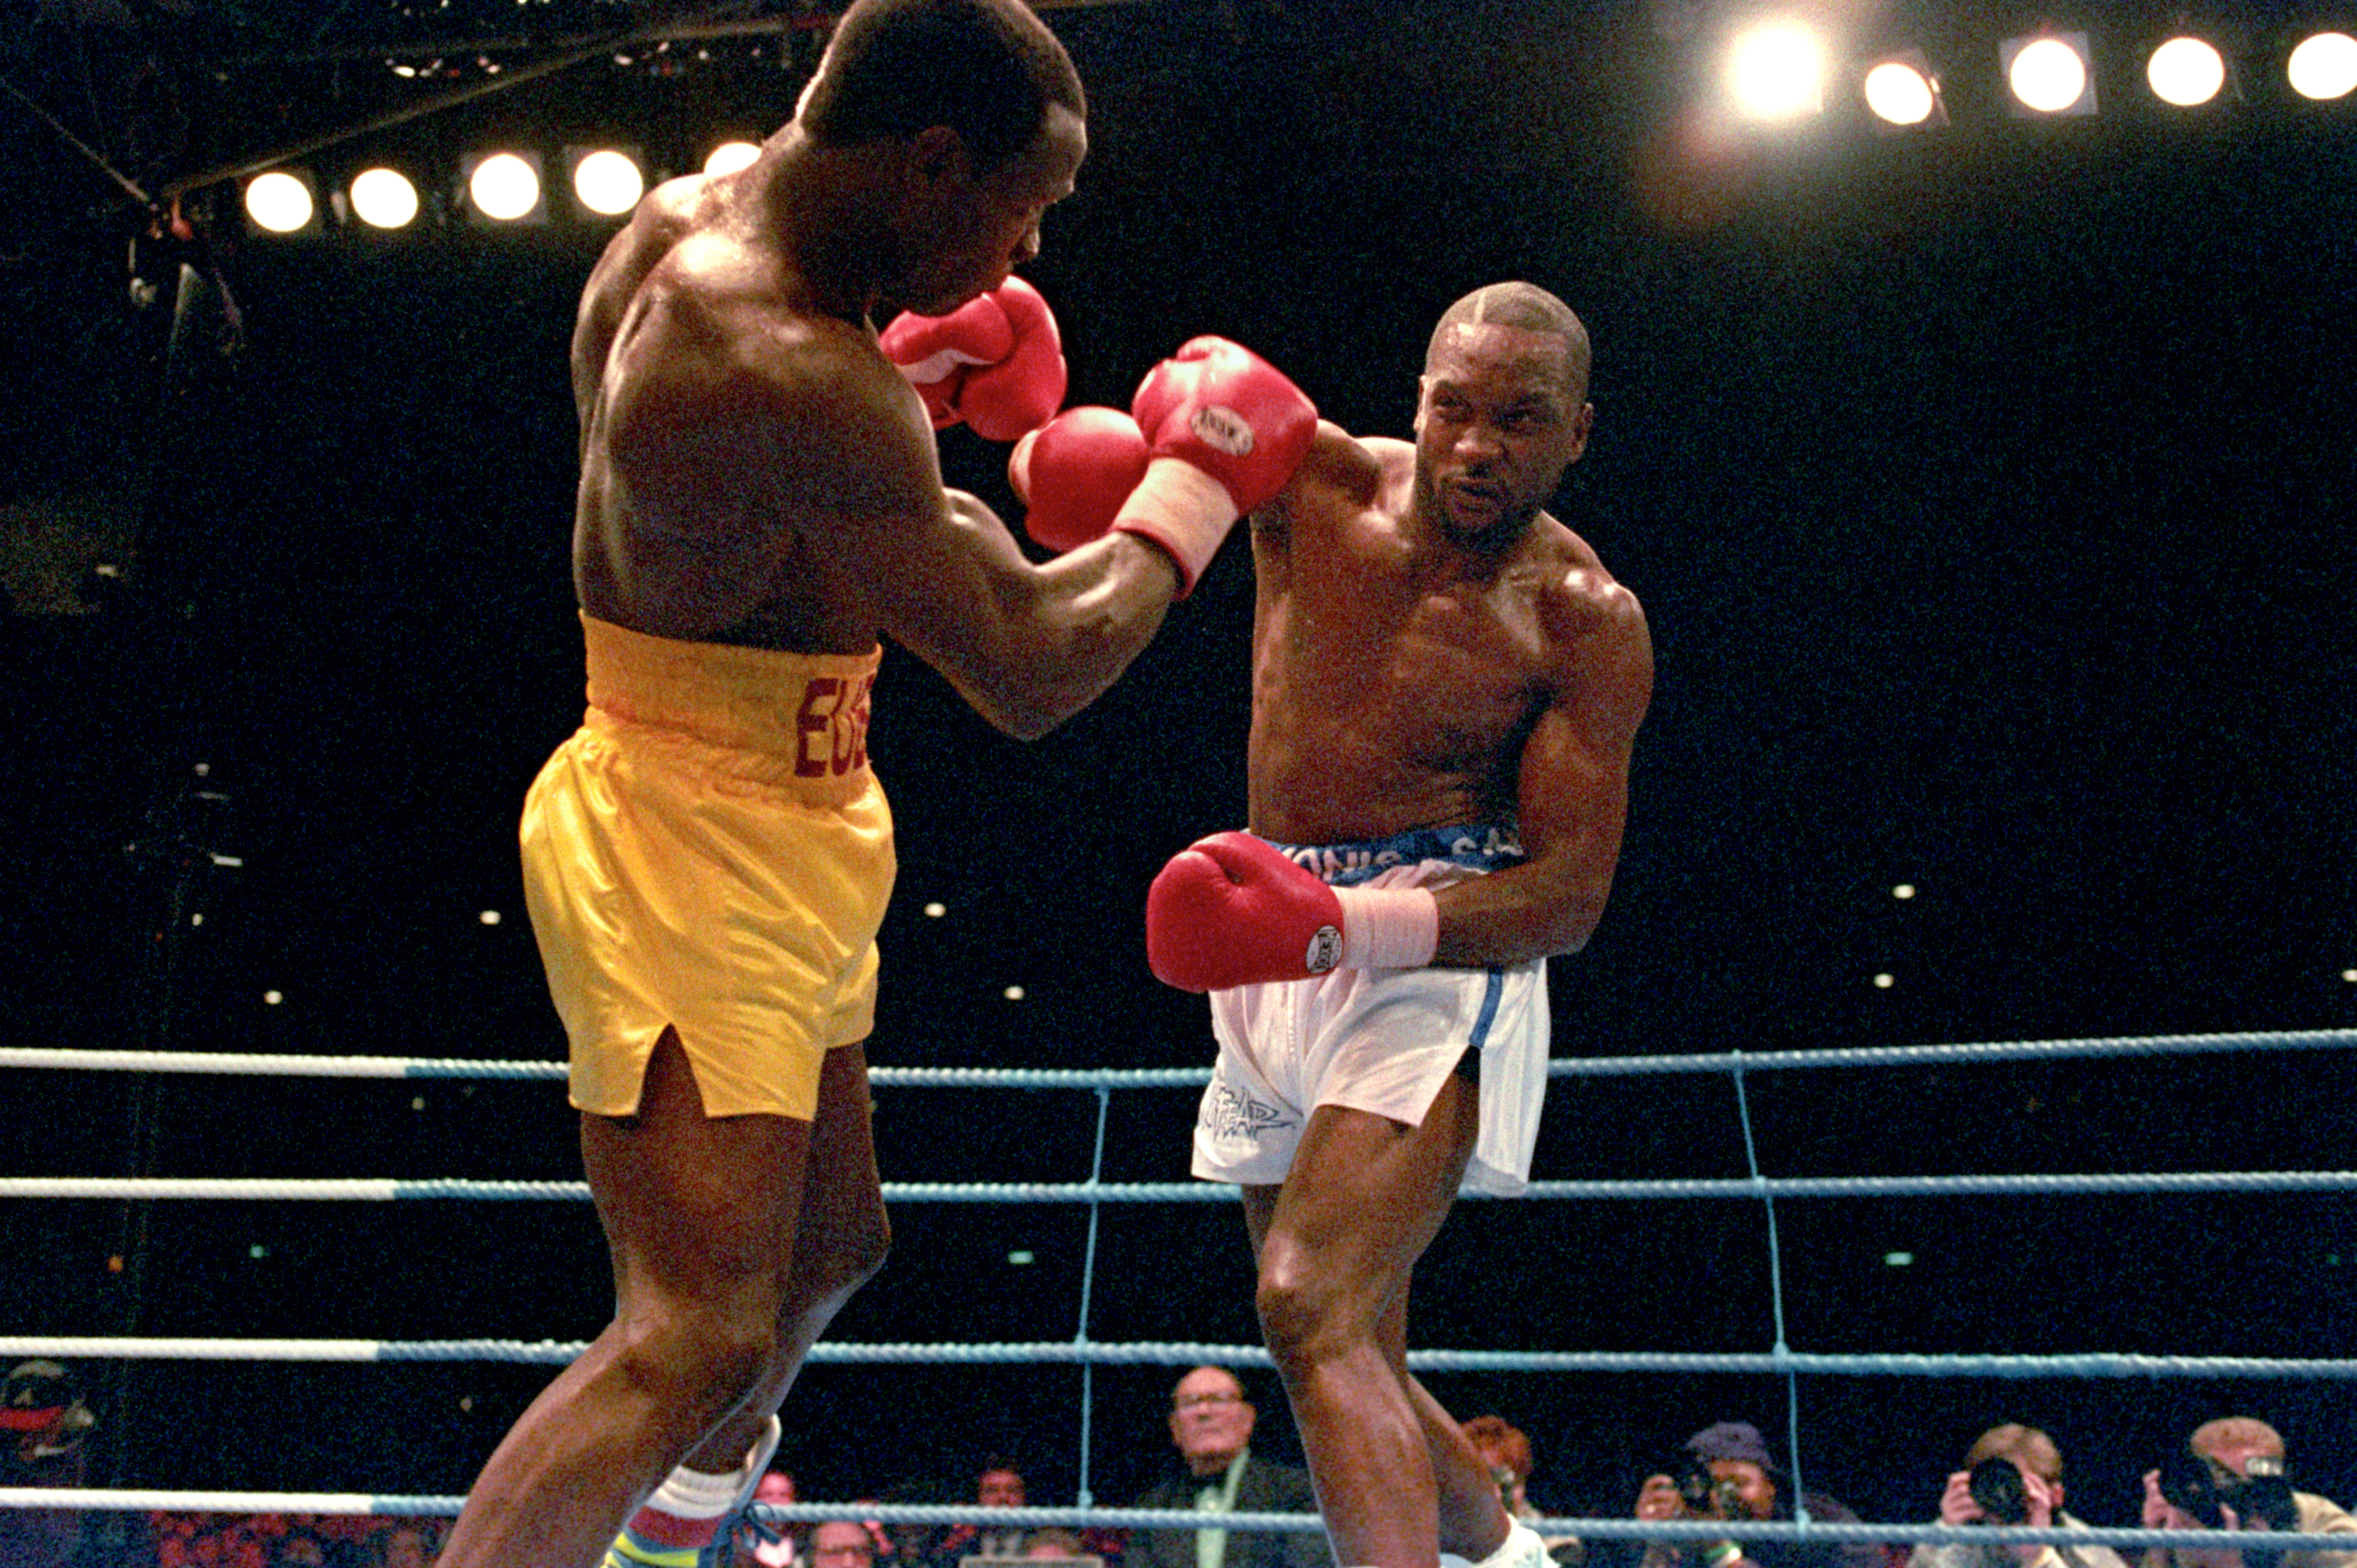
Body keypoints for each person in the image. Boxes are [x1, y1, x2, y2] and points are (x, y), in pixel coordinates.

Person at [443, 0, 1315, 1563]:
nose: (1024, 257)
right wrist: (1198, 486)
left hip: (794, 791)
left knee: (836, 1243)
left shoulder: (694, 237)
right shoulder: (776, 351)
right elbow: (1032, 669)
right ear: (929, 162)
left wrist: (909, 400)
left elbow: (731, 524)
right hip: (687, 830)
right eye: (1022, 208)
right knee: (691, 1328)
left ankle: (664, 1531)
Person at [1138, 281, 1653, 1568]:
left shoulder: (1583, 615)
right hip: (1271, 930)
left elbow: (1569, 898)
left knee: (1308, 1300)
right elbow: (1139, 489)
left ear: (1578, 433)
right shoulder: (1309, 482)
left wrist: (1340, 928)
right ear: (1418, 403)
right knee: (1343, 1338)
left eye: (1520, 421)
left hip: (1433, 942)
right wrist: (1061, 446)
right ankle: (1513, 1559)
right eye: (1455, 410)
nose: (1479, 447)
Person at [1129, 1366, 1330, 1568]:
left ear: (1248, 1419)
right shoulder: (1154, 1508)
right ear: (1175, 1427)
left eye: (1220, 1399)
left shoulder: (1298, 1493)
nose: (1204, 1412)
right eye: (1190, 1403)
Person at [1627, 1422, 1881, 1568]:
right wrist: (1656, 1540)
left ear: (1771, 1486)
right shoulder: (1692, 1528)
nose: (1724, 1497)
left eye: (1737, 1483)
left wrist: (1721, 1552)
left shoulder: (1824, 1527)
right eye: (1712, 1485)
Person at [2141, 1417, 2357, 1568]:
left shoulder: (2326, 1533)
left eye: (2250, 1487)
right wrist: (2159, 1551)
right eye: (2223, 1484)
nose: (2236, 1499)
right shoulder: (2190, 1526)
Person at [1907, 1422, 2127, 1568]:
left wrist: (2040, 1558)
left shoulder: (2081, 1546)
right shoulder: (1948, 1539)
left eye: (2015, 1486)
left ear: (2055, 1496)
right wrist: (1952, 1540)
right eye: (1994, 1484)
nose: (2003, 1495)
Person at [1461, 1416, 1582, 1568]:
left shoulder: (1558, 1544)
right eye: (1486, 1482)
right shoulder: (1436, 1540)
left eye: (1511, 1483)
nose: (1498, 1496)